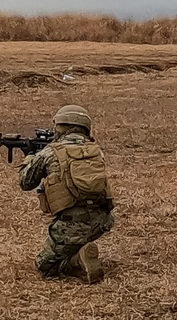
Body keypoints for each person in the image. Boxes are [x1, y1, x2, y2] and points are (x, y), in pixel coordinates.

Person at [18, 105, 115, 283]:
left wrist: (30, 156)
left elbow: (25, 183)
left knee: (45, 266)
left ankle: (77, 259)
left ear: (61, 127)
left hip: (71, 224)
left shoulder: (49, 152)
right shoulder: (96, 150)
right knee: (73, 237)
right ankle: (79, 246)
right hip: (102, 221)